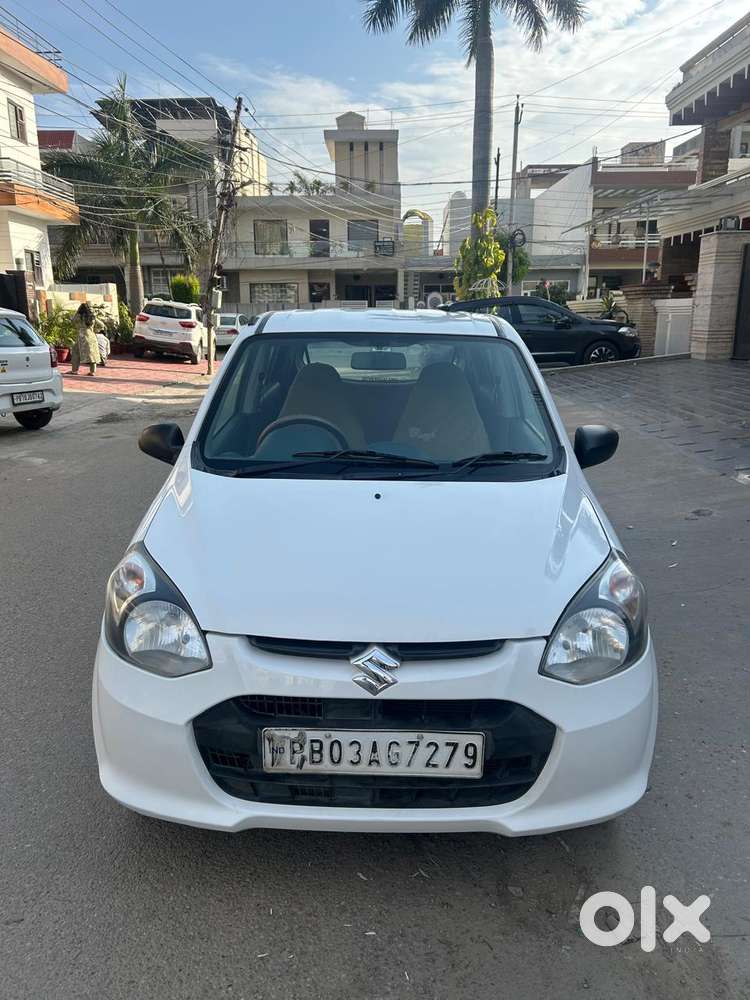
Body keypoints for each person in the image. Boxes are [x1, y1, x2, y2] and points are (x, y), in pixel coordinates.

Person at [69, 302, 102, 376]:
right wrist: (95, 330)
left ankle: (74, 370)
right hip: (92, 337)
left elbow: (72, 321)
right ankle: (92, 371)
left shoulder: (79, 316)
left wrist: (77, 313)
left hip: (82, 337)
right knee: (92, 354)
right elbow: (102, 325)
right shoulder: (92, 317)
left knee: (75, 352)